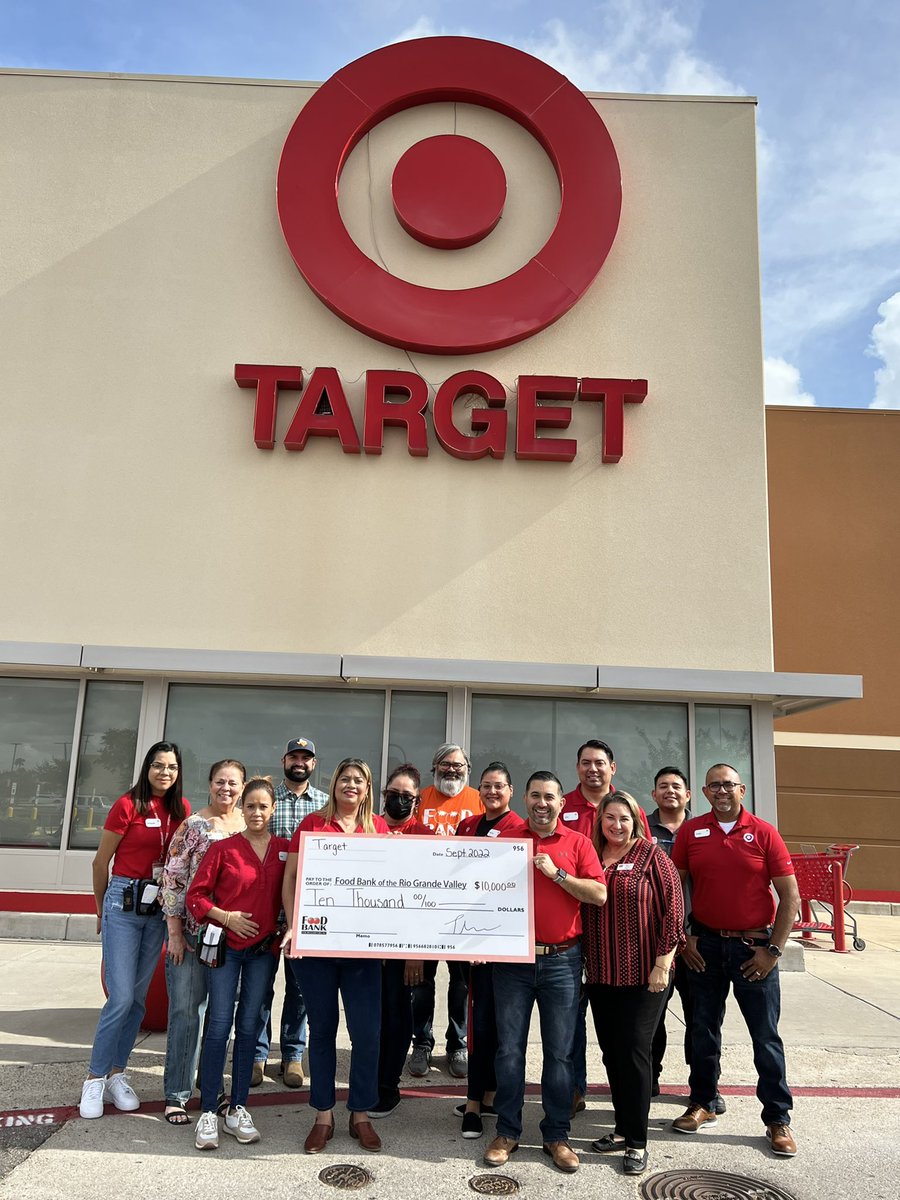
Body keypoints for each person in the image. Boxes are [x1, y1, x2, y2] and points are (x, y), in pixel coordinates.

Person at [671, 764, 801, 1157]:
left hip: (753, 950)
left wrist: (773, 951)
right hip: (705, 947)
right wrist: (684, 937)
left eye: (729, 784)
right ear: (705, 792)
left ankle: (777, 1119)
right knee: (702, 1031)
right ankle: (703, 1102)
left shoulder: (764, 833)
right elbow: (677, 890)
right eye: (715, 785)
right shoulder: (691, 833)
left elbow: (790, 898)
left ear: (742, 789)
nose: (722, 790)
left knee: (765, 1038)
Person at [484, 772, 606, 1175]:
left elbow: (599, 894)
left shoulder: (578, 843)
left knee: (559, 1053)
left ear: (560, 802)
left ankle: (557, 1135)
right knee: (509, 1050)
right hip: (512, 963)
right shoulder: (505, 840)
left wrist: (558, 874)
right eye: (534, 795)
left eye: (549, 796)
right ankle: (507, 1131)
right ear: (524, 798)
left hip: (562, 962)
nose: (542, 803)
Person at [282, 758, 390, 1154]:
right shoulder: (312, 824)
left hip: (363, 951)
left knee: (366, 1034)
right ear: (334, 785)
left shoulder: (378, 828)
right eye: (344, 778)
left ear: (366, 789)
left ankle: (359, 1112)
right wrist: (294, 924)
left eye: (358, 780)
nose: (351, 785)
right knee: (323, 1030)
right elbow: (291, 878)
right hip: (317, 947)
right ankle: (323, 1113)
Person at [79, 741, 189, 1119]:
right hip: (123, 902)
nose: (165, 773)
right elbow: (100, 862)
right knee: (121, 996)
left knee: (139, 999)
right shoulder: (128, 805)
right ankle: (94, 1078)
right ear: (147, 769)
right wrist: (100, 909)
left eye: (172, 767)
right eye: (158, 766)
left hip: (157, 906)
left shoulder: (181, 809)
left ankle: (116, 1074)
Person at [583, 792, 684, 1176]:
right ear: (600, 821)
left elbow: (674, 911)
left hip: (645, 975)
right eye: (609, 818)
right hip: (602, 975)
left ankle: (639, 1142)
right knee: (611, 1053)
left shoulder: (652, 856)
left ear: (635, 820)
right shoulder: (592, 856)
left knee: (635, 1052)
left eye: (623, 818)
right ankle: (623, 1128)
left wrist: (662, 964)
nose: (617, 825)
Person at [187, 777, 289, 1151]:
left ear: (273, 809)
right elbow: (195, 896)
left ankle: (239, 1107)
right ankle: (210, 1111)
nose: (257, 812)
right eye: (251, 806)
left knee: (249, 1026)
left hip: (263, 952)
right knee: (218, 1025)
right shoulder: (224, 849)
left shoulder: (285, 849)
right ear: (241, 809)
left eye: (264, 806)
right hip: (227, 950)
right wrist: (226, 917)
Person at [561, 739, 651, 1116]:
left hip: (621, 941)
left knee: (624, 1031)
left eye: (600, 763)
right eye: (585, 763)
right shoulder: (562, 806)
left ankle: (632, 1095)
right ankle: (574, 1088)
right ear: (577, 767)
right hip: (572, 932)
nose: (592, 769)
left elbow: (648, 863)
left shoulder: (629, 808)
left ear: (613, 767)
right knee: (572, 1019)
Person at [160, 758, 246, 1124]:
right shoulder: (193, 826)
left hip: (235, 943)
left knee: (220, 1018)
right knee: (185, 1011)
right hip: (195, 937)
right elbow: (173, 880)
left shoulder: (250, 822)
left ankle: (211, 1088)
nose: (226, 788)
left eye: (233, 783)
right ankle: (177, 1093)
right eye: (220, 782)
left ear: (243, 788)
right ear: (209, 784)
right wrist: (175, 933)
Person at [454, 762, 526, 1140]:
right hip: (469, 939)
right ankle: (473, 1102)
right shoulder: (466, 826)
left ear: (510, 791)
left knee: (501, 1028)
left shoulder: (521, 829)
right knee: (478, 1023)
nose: (492, 792)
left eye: (499, 786)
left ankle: (490, 1095)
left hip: (504, 944)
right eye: (485, 786)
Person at [254, 736, 327, 1089]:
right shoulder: (266, 801)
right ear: (284, 760)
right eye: (294, 756)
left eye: (306, 758)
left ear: (314, 764)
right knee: (260, 986)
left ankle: (293, 1056)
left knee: (299, 989)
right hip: (265, 910)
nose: (300, 762)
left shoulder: (324, 806)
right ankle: (256, 1055)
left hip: (307, 914)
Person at [409, 742, 484, 1079]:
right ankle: (421, 1043)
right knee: (422, 982)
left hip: (463, 905)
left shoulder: (478, 798)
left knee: (462, 982)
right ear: (434, 767)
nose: (451, 770)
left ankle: (458, 1044)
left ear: (467, 769)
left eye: (457, 765)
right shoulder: (419, 797)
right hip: (423, 904)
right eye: (444, 764)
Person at [646, 766, 716, 1106]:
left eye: (677, 786)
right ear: (654, 795)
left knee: (701, 1018)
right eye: (663, 786)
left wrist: (689, 936)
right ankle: (649, 1077)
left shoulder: (704, 829)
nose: (670, 791)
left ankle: (705, 1087)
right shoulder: (640, 827)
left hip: (697, 942)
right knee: (652, 1016)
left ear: (689, 795)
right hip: (653, 942)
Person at [368, 763, 433, 1119]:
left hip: (404, 948)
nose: (399, 800)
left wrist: (416, 953)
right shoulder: (367, 829)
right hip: (364, 943)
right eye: (393, 794)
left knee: (396, 1015)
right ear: (383, 795)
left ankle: (388, 1085)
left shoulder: (425, 836)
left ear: (417, 801)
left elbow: (429, 899)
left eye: (406, 796)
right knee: (368, 1016)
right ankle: (366, 1080)